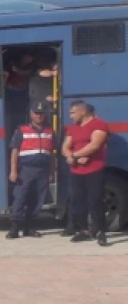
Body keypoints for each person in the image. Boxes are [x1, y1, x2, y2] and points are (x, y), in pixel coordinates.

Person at [63, 101, 111, 246]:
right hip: (76, 171)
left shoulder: (99, 124)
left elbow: (94, 145)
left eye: (72, 112)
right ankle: (83, 231)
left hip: (94, 169)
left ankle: (100, 232)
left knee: (95, 201)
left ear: (82, 111)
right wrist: (71, 156)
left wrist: (75, 155)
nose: (70, 116)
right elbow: (65, 146)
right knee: (77, 202)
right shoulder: (72, 128)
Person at [7, 102, 55, 240]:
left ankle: (30, 228)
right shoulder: (22, 130)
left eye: (41, 113)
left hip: (43, 171)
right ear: (31, 114)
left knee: (37, 200)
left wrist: (52, 172)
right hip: (26, 170)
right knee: (20, 198)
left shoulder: (50, 131)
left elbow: (51, 153)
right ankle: (14, 229)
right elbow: (14, 151)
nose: (38, 116)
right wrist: (13, 170)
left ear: (44, 114)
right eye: (36, 113)